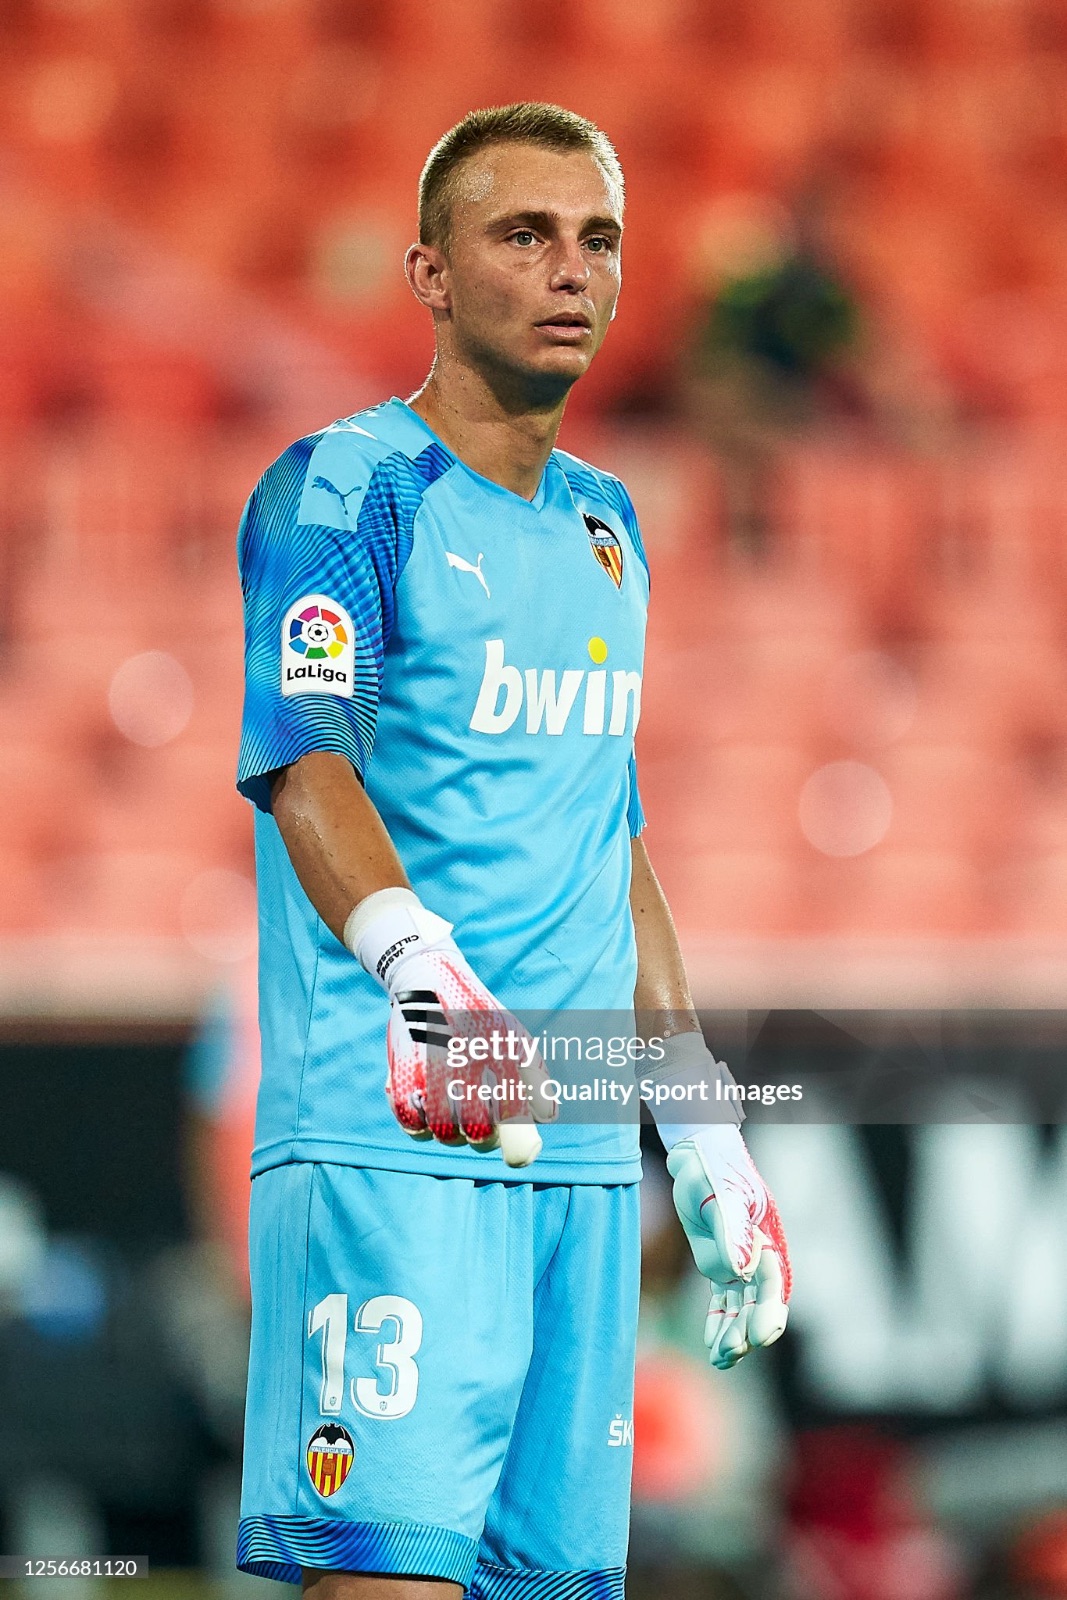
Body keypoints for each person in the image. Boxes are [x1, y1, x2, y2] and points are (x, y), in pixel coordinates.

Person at [234, 102, 791, 1600]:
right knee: (390, 1582)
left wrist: (704, 1125)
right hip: (396, 1137)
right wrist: (419, 968)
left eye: (598, 238)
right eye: (524, 234)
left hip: (588, 1170)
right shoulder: (349, 490)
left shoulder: (612, 530)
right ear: (428, 270)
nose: (570, 271)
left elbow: (612, 838)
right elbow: (303, 765)